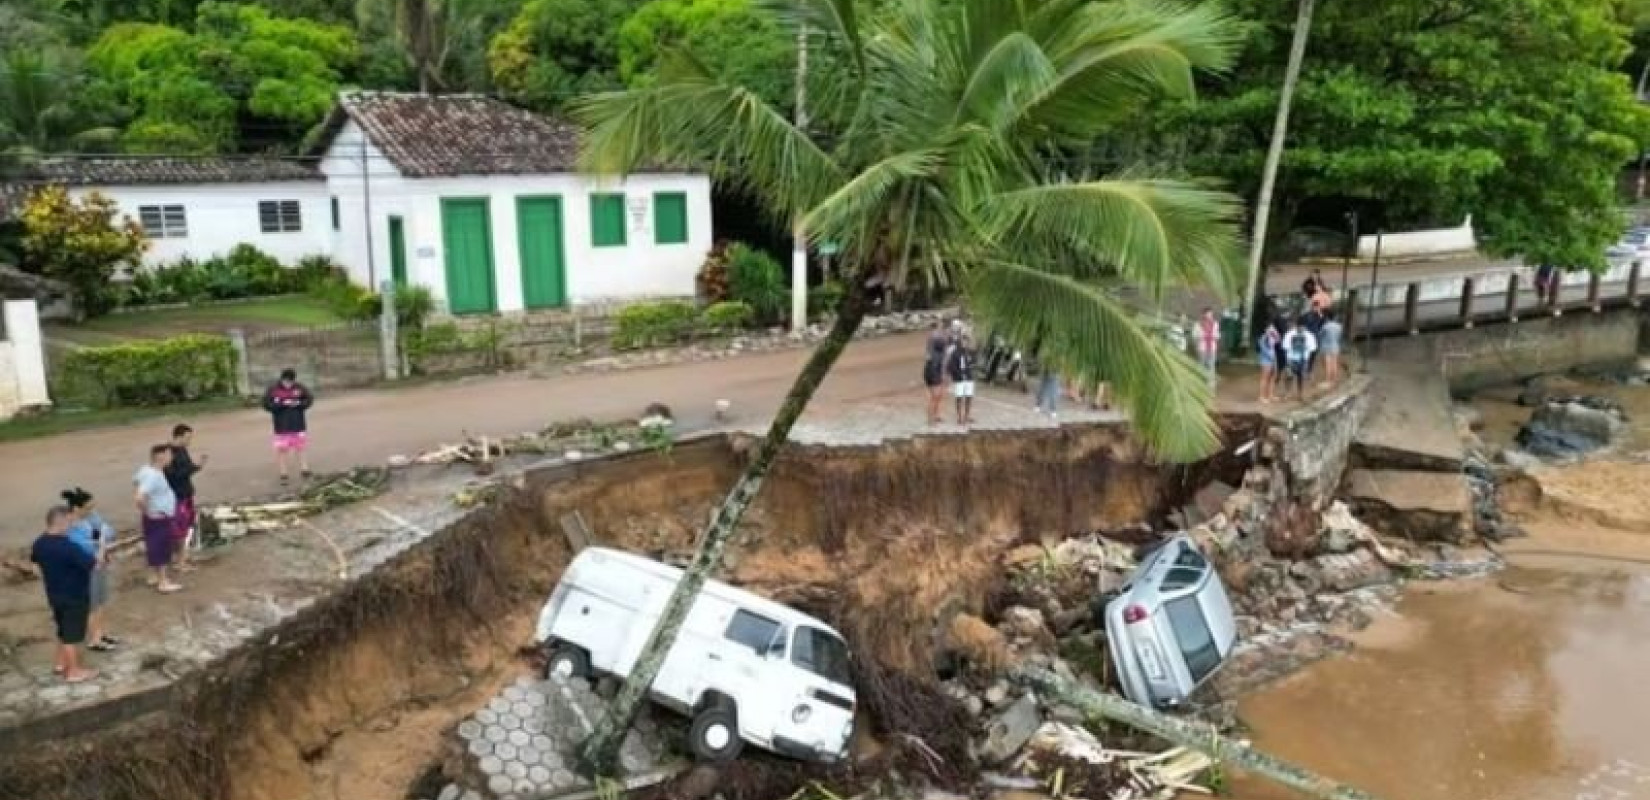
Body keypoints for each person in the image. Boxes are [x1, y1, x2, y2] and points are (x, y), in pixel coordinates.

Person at [31, 506, 98, 683]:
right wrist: (100, 552)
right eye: (69, 522)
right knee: (72, 635)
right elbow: (92, 565)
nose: (71, 526)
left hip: (54, 595)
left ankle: (60, 663)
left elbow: (36, 566)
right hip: (74, 596)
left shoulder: (39, 543)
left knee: (63, 629)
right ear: (60, 523)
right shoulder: (70, 548)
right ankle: (73, 671)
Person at [63, 489, 118, 654]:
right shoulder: (70, 526)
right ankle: (94, 639)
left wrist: (99, 538)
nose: (92, 510)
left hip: (99, 565)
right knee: (92, 605)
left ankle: (100, 633)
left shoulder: (91, 517)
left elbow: (109, 531)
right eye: (88, 507)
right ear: (76, 508)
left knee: (101, 601)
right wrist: (99, 539)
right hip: (86, 569)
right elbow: (85, 547)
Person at [135, 444, 182, 593]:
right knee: (161, 548)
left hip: (153, 517)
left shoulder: (146, 470)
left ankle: (154, 576)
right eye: (169, 455)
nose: (171, 458)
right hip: (158, 518)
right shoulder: (154, 476)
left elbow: (136, 482)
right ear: (160, 456)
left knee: (153, 546)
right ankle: (163, 582)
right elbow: (139, 497)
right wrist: (146, 509)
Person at [262, 368, 314, 484]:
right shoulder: (273, 389)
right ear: (282, 379)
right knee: (282, 449)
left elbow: (309, 400)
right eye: (286, 381)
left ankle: (304, 469)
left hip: (298, 423)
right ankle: (283, 472)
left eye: (291, 382)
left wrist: (299, 404)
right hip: (281, 425)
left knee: (300, 447)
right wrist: (280, 405)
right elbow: (266, 404)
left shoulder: (299, 387)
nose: (288, 384)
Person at [165, 423, 206, 573]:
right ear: (178, 436)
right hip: (176, 495)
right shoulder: (168, 453)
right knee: (179, 529)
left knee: (187, 525)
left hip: (186, 493)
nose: (189, 441)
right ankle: (179, 561)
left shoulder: (182, 449)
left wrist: (197, 466)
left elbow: (186, 469)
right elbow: (173, 475)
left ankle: (181, 556)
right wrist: (192, 468)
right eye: (187, 438)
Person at [1282, 319, 1318, 401]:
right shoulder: (1289, 334)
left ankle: (1300, 394)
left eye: (1303, 327)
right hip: (1291, 358)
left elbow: (1313, 349)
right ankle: (1287, 393)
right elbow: (1285, 347)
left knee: (1301, 376)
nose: (1302, 329)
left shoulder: (1309, 335)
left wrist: (1305, 348)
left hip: (1304, 359)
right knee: (1288, 376)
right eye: (1300, 327)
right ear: (1297, 326)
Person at [946, 332, 977, 425]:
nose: (965, 343)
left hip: (968, 377)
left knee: (969, 397)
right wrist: (957, 375)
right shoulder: (955, 353)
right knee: (959, 397)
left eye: (966, 341)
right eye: (963, 341)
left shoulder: (968, 352)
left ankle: (967, 416)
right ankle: (959, 417)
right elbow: (951, 366)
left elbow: (974, 360)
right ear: (960, 342)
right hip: (959, 377)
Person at [922, 322, 950, 425]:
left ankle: (935, 415)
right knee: (935, 395)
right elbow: (943, 361)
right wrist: (943, 374)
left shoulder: (931, 341)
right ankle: (931, 419)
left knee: (938, 395)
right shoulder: (938, 342)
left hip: (930, 369)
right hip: (934, 370)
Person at [1194, 307, 1221, 386]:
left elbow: (1217, 334)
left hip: (1212, 347)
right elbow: (1194, 335)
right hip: (1202, 347)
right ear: (1203, 314)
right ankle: (1199, 380)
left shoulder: (1215, 324)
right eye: (1207, 314)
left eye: (1210, 314)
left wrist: (1215, 336)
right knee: (1201, 364)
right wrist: (1201, 336)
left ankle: (1210, 382)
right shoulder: (1198, 324)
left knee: (1211, 364)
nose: (1209, 316)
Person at [1257, 322, 1282, 404]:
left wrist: (1275, 333)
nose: (1271, 329)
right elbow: (1263, 349)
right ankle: (1261, 396)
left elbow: (1278, 340)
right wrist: (1271, 357)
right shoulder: (1263, 338)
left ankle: (1270, 395)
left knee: (1273, 377)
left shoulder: (1272, 337)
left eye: (1272, 327)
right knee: (1264, 378)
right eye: (1270, 328)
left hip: (1273, 359)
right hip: (1266, 360)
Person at [1319, 310, 1345, 387]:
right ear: (1335, 317)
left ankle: (1328, 381)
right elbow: (1340, 337)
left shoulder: (1325, 326)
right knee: (1334, 363)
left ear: (1327, 318)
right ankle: (1334, 380)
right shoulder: (1339, 326)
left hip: (1326, 347)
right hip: (1336, 346)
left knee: (1328, 364)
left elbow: (1320, 335)